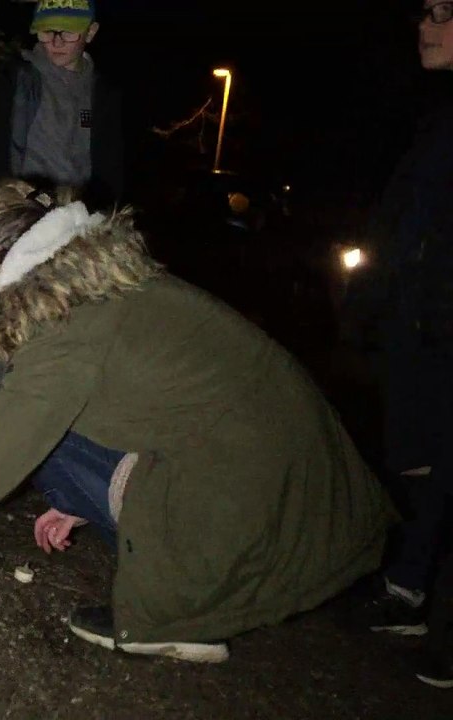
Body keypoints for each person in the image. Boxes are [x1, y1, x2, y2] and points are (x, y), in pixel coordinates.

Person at [0, 178, 395, 664]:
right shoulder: (88, 283)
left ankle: (176, 620)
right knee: (52, 456)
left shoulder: (65, 331)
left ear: (10, 266)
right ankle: (133, 514)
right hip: (282, 478)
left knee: (39, 451)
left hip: (262, 508)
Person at [346, 0, 453, 688]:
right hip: (424, 324)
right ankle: (410, 591)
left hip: (441, 324)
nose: (426, 25)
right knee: (428, 461)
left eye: (443, 12)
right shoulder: (439, 119)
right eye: (423, 12)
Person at [0, 0, 124, 209]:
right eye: (47, 32)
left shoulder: (104, 95)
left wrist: (94, 212)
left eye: (68, 33)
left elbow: (110, 171)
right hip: (22, 212)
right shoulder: (14, 81)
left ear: (90, 32)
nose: (56, 42)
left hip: (78, 217)